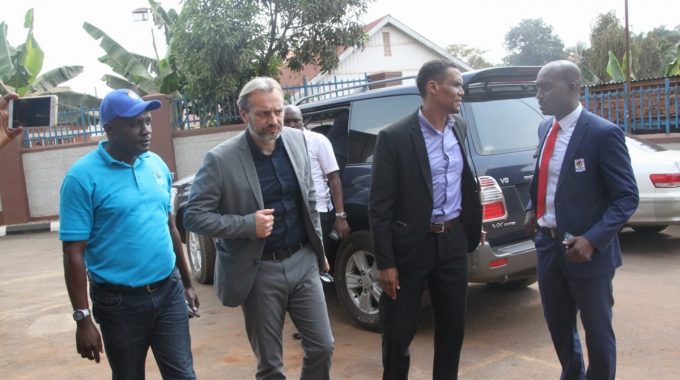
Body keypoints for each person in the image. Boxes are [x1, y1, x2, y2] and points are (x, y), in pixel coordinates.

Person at [183, 77, 334, 380]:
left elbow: (309, 196)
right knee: (270, 366)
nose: (274, 120)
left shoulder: (297, 140)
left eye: (277, 111)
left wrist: (319, 250)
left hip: (303, 260)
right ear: (244, 115)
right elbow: (194, 216)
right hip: (259, 269)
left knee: (322, 347)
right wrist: (246, 225)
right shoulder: (221, 159)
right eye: (264, 113)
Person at [59, 89, 199, 379]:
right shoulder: (81, 177)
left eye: (147, 121)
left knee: (183, 375)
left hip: (168, 291)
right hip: (119, 304)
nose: (146, 130)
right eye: (135, 123)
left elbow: (169, 227)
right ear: (109, 129)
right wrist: (82, 319)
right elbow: (73, 252)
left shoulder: (157, 165)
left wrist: (186, 282)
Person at [524, 60, 639, 380]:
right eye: (537, 87)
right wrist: (533, 208)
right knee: (559, 327)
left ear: (573, 88)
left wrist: (593, 239)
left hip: (587, 252)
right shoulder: (545, 128)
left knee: (598, 333)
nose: (538, 95)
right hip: (549, 247)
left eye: (545, 87)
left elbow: (627, 196)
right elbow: (544, 175)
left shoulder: (603, 133)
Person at [369, 59, 483, 380]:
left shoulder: (458, 127)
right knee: (397, 333)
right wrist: (386, 262)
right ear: (433, 88)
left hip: (452, 242)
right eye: (456, 85)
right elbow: (379, 206)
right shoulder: (394, 137)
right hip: (409, 248)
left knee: (452, 329)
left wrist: (471, 223)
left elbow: (463, 181)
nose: (462, 91)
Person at [283, 104, 351, 250]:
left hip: (318, 212)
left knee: (320, 256)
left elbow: (334, 179)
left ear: (303, 121)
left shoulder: (318, 141)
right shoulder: (278, 144)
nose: (292, 125)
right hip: (292, 213)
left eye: (296, 120)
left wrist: (340, 216)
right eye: (286, 121)